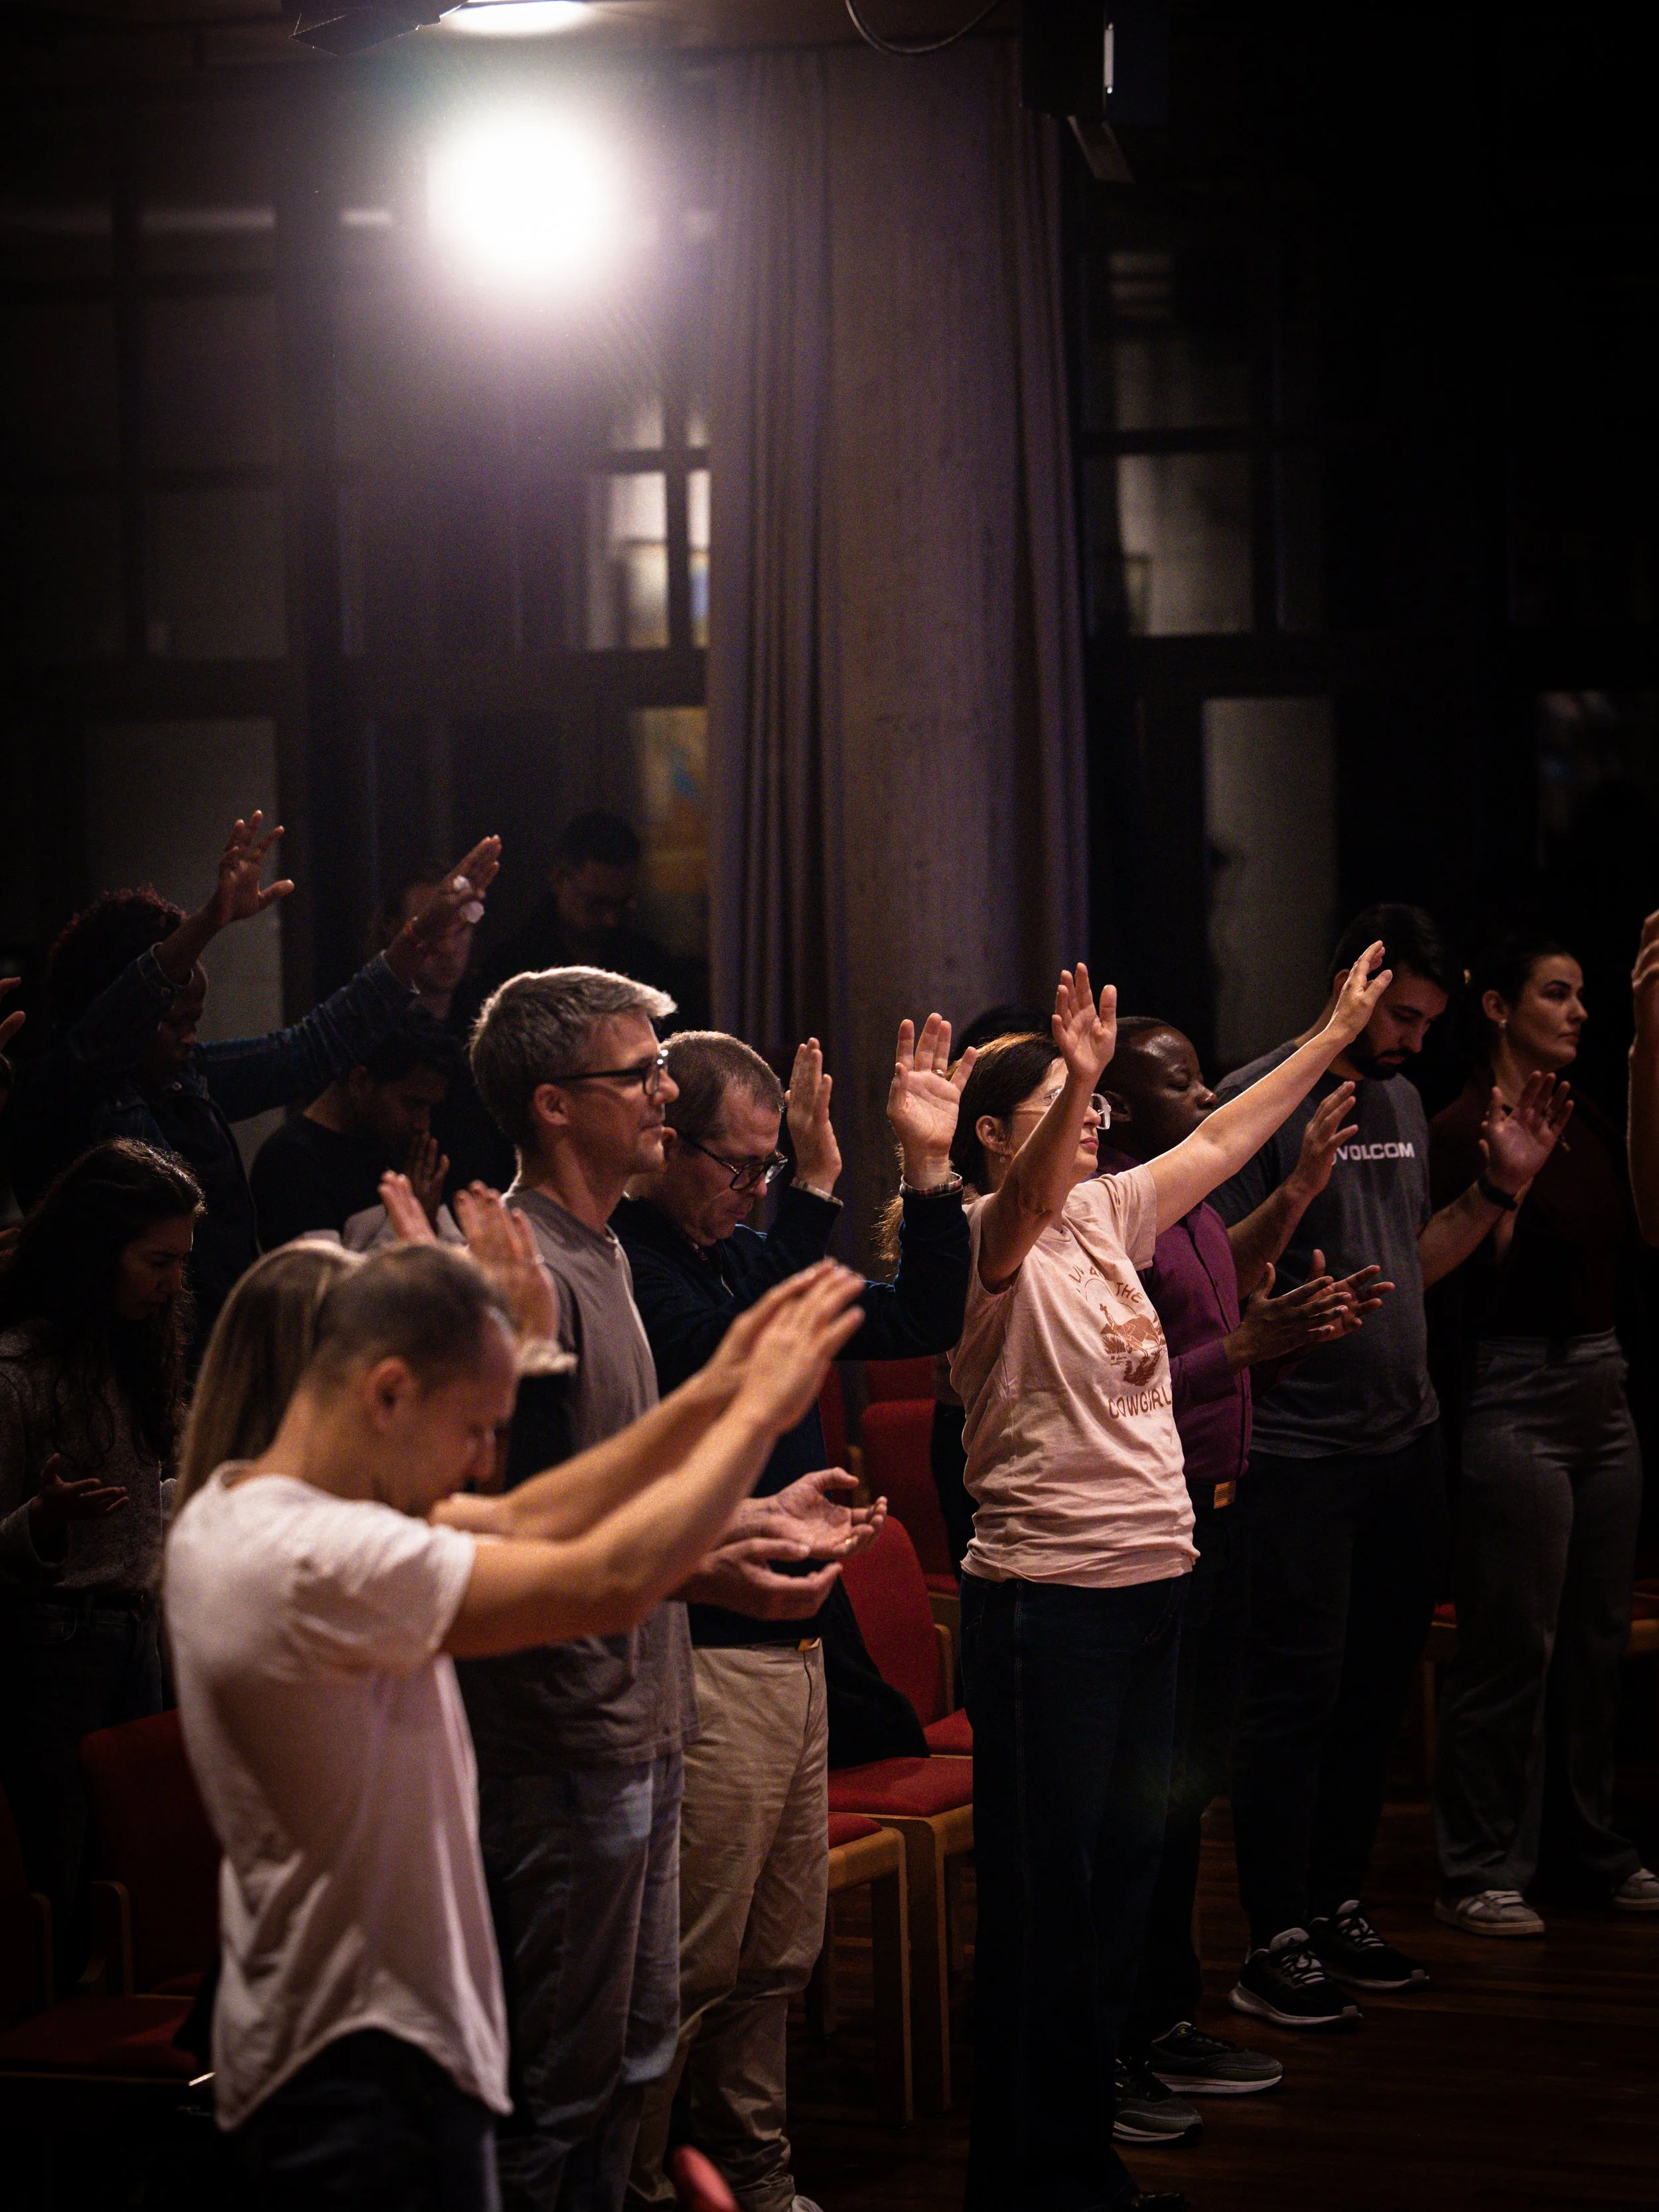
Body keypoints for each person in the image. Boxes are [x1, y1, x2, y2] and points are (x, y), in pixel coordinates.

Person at [165, 1240, 865, 2212]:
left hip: (336, 2048)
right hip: (360, 2066)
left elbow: (540, 1512)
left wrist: (714, 1395)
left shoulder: (241, 1504)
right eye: (477, 1428)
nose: (488, 1462)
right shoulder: (318, 1556)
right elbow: (607, 1579)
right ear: (389, 1392)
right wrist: (756, 1414)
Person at [952, 950, 1393, 2212]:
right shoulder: (991, 1233)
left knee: (1124, 1890)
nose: (1094, 1120)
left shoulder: (1102, 1214)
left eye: (1095, 1104)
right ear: (993, 1133)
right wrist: (1075, 1075)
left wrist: (1328, 1031)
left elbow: (1229, 1133)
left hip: (1151, 1590)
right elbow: (1021, 1206)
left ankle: (1078, 2165)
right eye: (1066, 1104)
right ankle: (1029, 2182)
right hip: (1051, 1605)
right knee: (1053, 1903)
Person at [469, 964, 836, 2212]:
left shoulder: (608, 1252)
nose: (666, 1093)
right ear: (556, 1103)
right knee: (559, 2088)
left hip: (649, 1707)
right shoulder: (524, 1268)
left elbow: (616, 1499)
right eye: (641, 1072)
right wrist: (725, 1505)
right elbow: (533, 1533)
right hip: (567, 1727)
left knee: (633, 2059)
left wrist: (748, 1517)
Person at [616, 1018, 972, 2212]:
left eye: (769, 1166)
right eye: (736, 1164)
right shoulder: (630, 1263)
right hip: (700, 1647)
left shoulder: (739, 1250)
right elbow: (727, 1360)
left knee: (775, 1956)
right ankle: (642, 2183)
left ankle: (760, 2175)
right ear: (661, 1139)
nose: (752, 1190)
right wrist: (811, 1202)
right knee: (689, 1963)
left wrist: (924, 1173)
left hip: (797, 1647)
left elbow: (922, 1316)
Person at [1208, 903, 1571, 2030]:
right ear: (1350, 984)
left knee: (1374, 1699)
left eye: (1427, 1017)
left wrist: (1500, 1191)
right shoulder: (1258, 1095)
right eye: (1400, 1013)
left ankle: (1336, 1905)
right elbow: (1217, 1271)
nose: (1415, 1036)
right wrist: (1299, 1192)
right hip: (1299, 1455)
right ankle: (1272, 1932)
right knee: (1296, 1699)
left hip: (1402, 1441)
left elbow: (1407, 1262)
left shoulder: (1407, 1099)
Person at [1100, 1018, 1389, 2134]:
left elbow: (1236, 1280)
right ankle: (1118, 2036)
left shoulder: (1189, 1207)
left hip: (1218, 1520)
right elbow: (1116, 1386)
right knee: (1142, 1804)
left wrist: (1303, 1209)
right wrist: (1244, 1350)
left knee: (1183, 1798)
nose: (1207, 1086)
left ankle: (1166, 2013)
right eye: (1179, 1079)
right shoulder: (1109, 1220)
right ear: (1121, 1105)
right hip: (1150, 1523)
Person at [5, 814, 499, 1350]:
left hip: (211, 1352)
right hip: (112, 1365)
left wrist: (419, 936)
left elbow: (315, 1045)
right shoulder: (64, 1087)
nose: (190, 1038)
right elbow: (119, 1015)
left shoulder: (184, 1076)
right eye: (176, 1021)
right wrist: (208, 923)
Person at [1429, 932, 1658, 1933]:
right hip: (1516, 1388)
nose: (1576, 1012)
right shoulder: (1460, 1125)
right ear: (1496, 1007)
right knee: (1513, 1640)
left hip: (1602, 1386)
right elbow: (1475, 1276)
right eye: (1556, 995)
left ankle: (1589, 1852)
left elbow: (1646, 1221)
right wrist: (1504, 1187)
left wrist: (1653, 1035)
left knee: (1596, 1640)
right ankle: (1481, 1865)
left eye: (1583, 996)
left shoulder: (1588, 1116)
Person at [0, 1138, 201, 1976]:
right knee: (62, 1876)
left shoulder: (133, 1348)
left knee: (143, 1877)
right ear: (96, 1251)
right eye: (158, 1260)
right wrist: (42, 1520)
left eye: (183, 1261)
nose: (174, 1283)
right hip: (53, 1646)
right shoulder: (20, 1368)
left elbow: (139, 1494)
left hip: (132, 1633)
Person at [250, 1018, 461, 1250]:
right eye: (413, 1104)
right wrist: (410, 1223)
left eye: (430, 1108)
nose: (423, 1124)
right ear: (360, 1082)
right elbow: (324, 1284)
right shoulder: (290, 1163)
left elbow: (458, 1259)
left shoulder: (400, 1144)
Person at [366, 865, 515, 1193]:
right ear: (394, 930)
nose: (449, 948)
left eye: (461, 930)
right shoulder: (367, 1025)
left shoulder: (496, 1027)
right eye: (435, 931)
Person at [488, 812, 704, 1025]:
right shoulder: (511, 969)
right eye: (597, 904)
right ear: (558, 881)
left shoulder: (652, 966)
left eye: (623, 905)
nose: (611, 920)